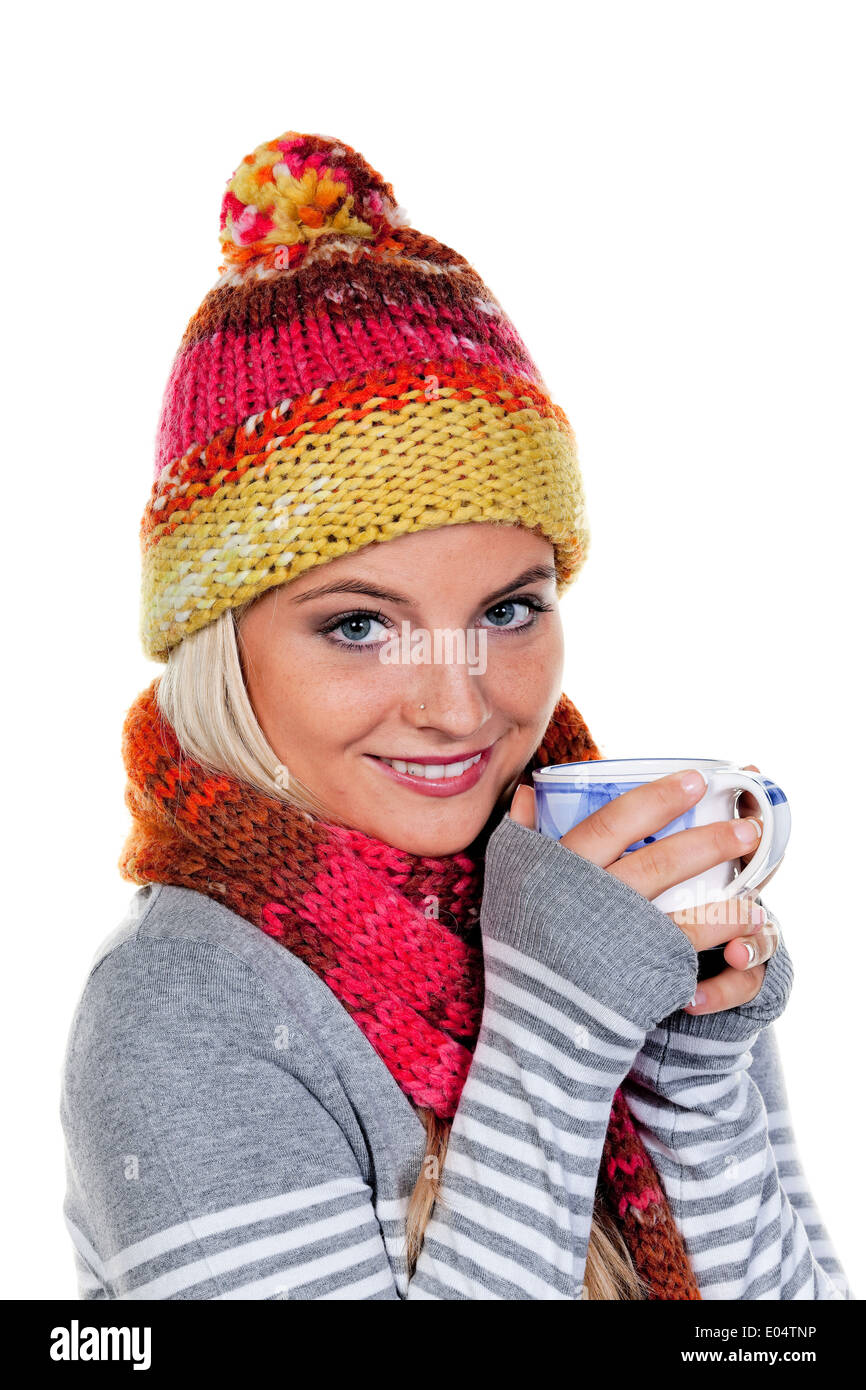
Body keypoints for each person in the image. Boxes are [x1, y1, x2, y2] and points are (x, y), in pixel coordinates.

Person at [59, 129, 850, 1301]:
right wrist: (560, 1029)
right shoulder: (179, 1010)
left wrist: (689, 1078)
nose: (456, 701)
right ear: (224, 644)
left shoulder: (580, 908)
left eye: (508, 608)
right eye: (358, 624)